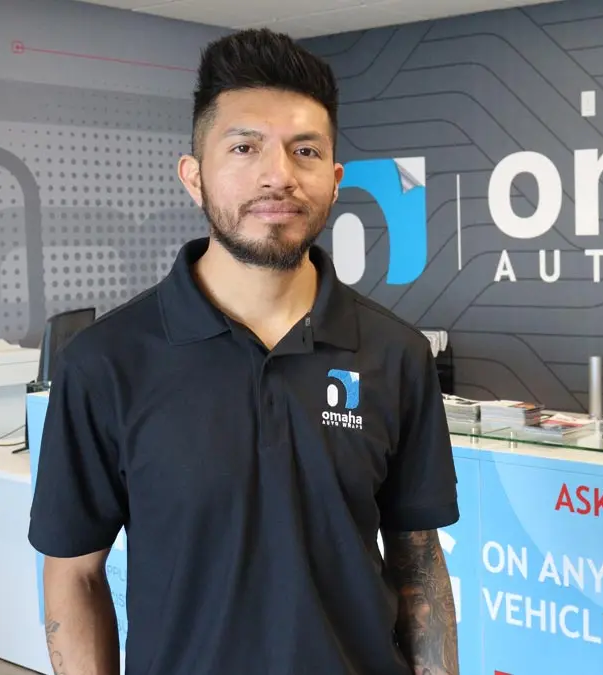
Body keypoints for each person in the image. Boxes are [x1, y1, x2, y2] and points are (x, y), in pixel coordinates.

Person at [28, 28, 459, 675]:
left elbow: (416, 556)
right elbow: (74, 573)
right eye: (245, 146)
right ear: (194, 177)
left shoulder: (396, 354)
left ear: (336, 179)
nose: (278, 174)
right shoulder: (105, 363)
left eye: (304, 150)